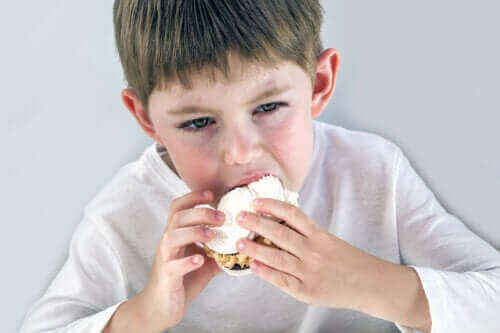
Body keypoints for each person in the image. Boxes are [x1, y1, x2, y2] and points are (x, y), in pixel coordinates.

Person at [21, 1, 500, 332]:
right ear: (148, 119)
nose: (240, 153)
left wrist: (374, 284)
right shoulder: (122, 218)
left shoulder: (374, 175)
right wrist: (144, 314)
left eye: (269, 108)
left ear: (317, 84)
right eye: (199, 121)